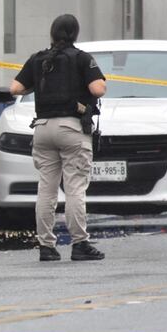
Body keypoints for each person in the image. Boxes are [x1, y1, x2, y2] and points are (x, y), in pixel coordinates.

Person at [10, 14, 107, 261]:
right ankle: (80, 244)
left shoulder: (38, 60)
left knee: (46, 189)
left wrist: (39, 86)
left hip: (42, 128)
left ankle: (46, 246)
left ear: (52, 34)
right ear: (75, 34)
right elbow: (98, 89)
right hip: (72, 129)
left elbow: (15, 89)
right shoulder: (82, 59)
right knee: (75, 188)